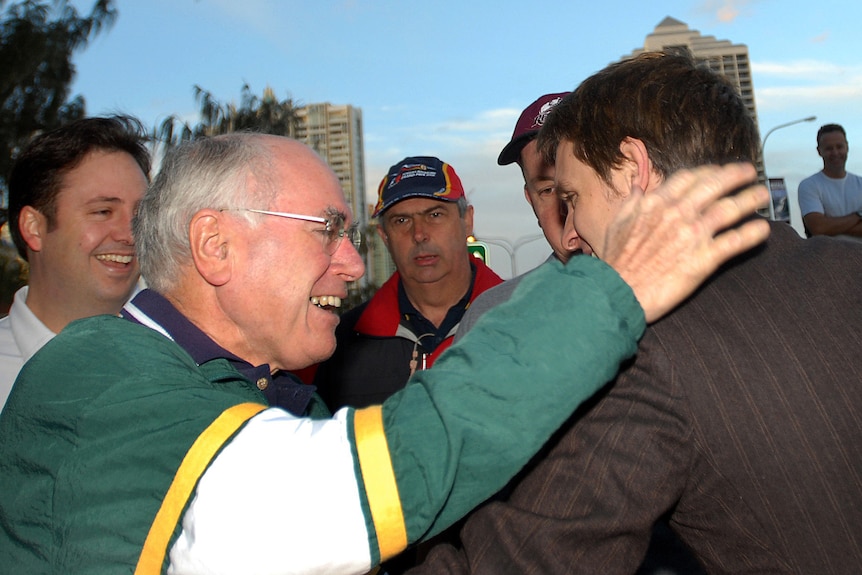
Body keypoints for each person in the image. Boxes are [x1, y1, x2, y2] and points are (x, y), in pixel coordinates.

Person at [0, 132, 769, 574]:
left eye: (348, 234)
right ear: (215, 244)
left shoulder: (262, 398)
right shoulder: (94, 376)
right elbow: (354, 485)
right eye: (326, 231)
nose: (351, 264)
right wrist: (614, 285)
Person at [412, 51, 862, 575]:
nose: (571, 230)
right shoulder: (846, 266)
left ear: (633, 168)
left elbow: (523, 557)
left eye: (573, 196)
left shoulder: (646, 354)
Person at [314, 156, 503, 410]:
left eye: (435, 215)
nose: (419, 234)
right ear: (384, 236)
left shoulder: (520, 319)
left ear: (467, 220)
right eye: (401, 221)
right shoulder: (340, 345)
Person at [0, 115, 150, 408]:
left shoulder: (186, 366)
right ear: (33, 227)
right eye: (103, 211)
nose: (130, 235)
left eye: (140, 215)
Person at [798, 123, 862, 238]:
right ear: (819, 151)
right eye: (829, 148)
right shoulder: (809, 185)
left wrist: (831, 226)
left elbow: (823, 228)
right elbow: (818, 227)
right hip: (826, 256)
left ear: (847, 147)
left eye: (839, 146)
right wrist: (858, 216)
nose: (835, 153)